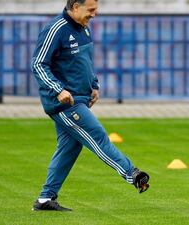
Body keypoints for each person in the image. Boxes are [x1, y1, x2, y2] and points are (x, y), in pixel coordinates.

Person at [31, 0, 149, 211]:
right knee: (97, 135)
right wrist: (58, 89)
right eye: (91, 9)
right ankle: (132, 174)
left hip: (81, 99)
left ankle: (45, 199)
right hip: (64, 103)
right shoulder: (55, 29)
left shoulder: (83, 28)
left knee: (69, 148)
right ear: (75, 7)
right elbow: (38, 64)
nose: (95, 14)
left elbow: (85, 61)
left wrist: (93, 85)